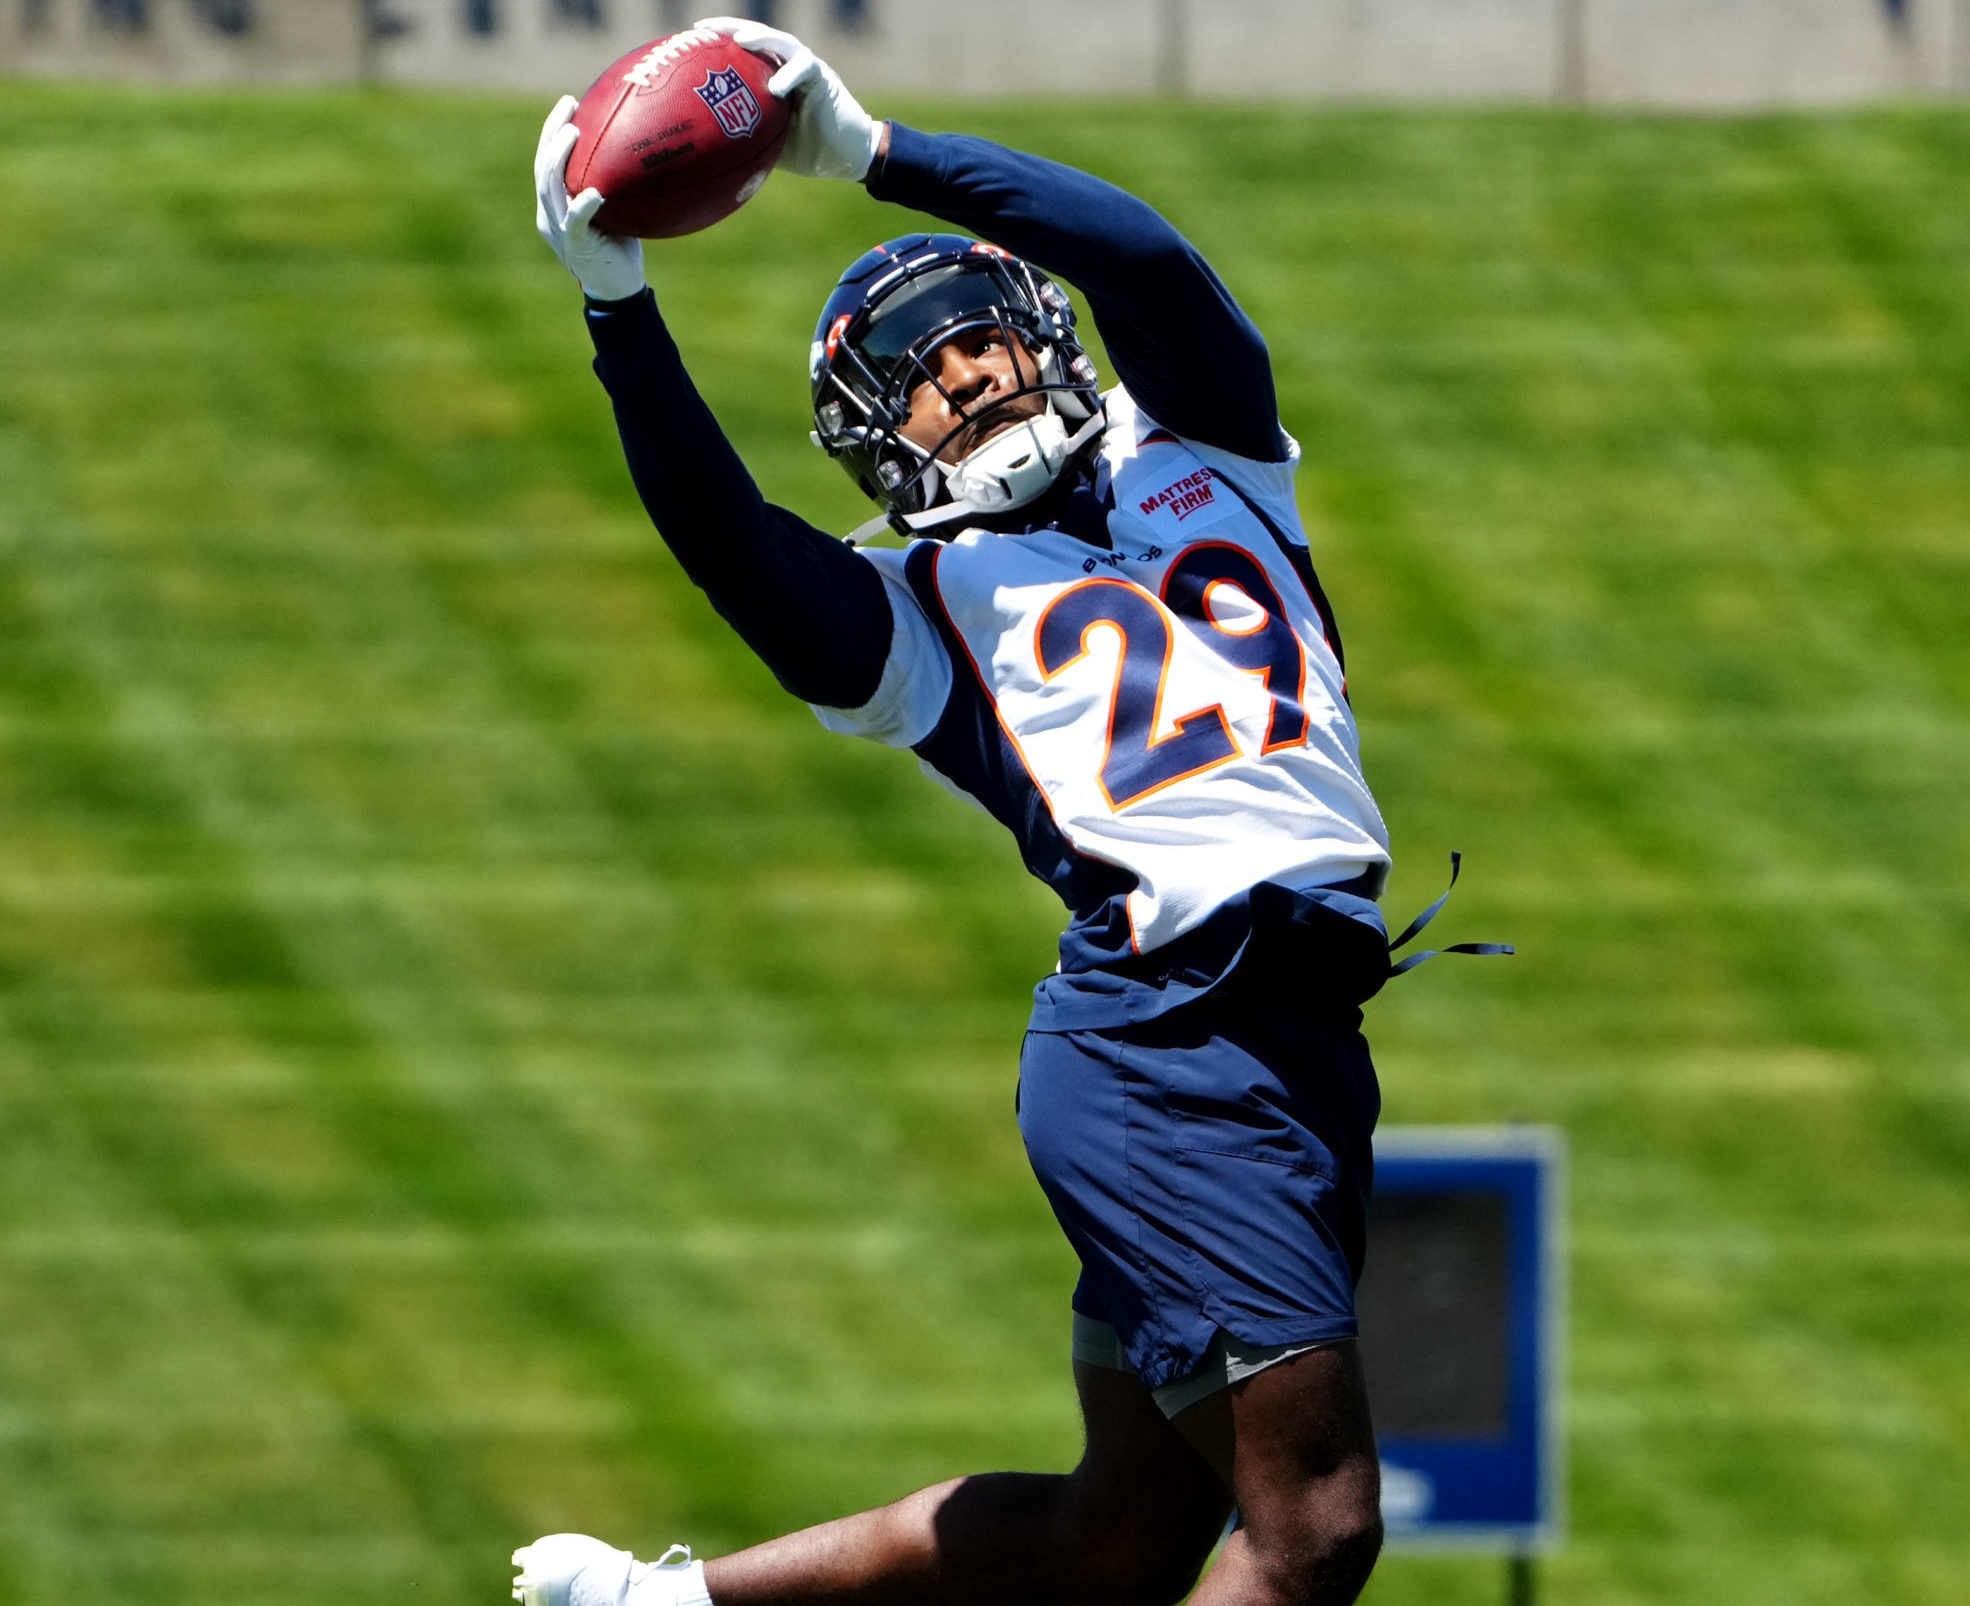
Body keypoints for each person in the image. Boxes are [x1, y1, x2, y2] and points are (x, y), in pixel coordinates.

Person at [516, 16, 1434, 1606]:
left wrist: (872, 156)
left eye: (975, 336)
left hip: (1290, 1035)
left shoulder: (1204, 445)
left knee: (1118, 1536)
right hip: (1169, 1044)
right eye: (918, 377)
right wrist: (618, 309)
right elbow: (729, 541)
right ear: (880, 443)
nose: (961, 372)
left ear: (1041, 337)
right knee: (1314, 1528)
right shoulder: (924, 607)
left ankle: (663, 1602)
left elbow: (1145, 260)